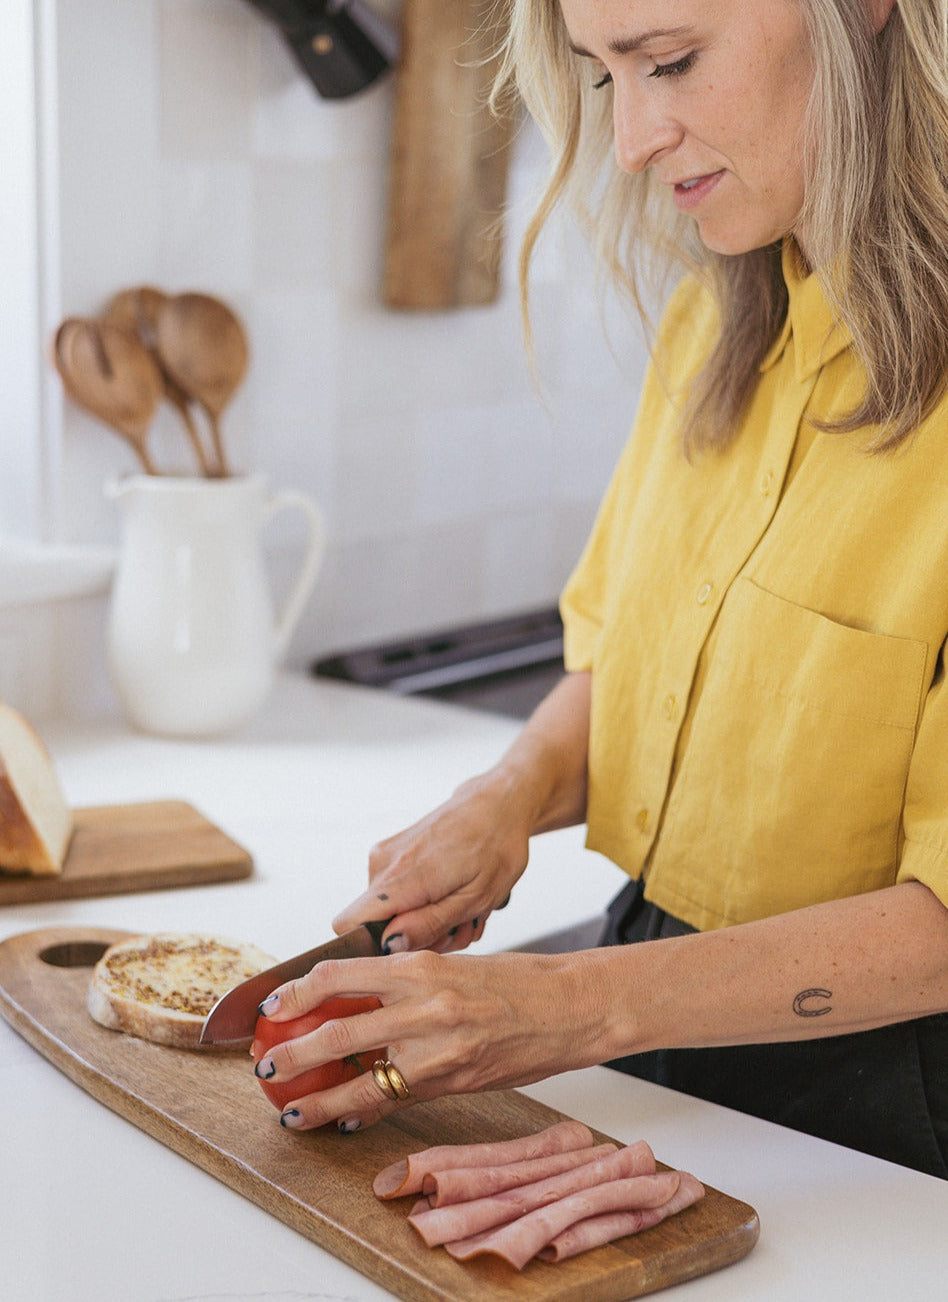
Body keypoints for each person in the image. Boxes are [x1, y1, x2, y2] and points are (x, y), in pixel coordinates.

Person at [254, 0, 948, 1178]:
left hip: (902, 1092)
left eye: (670, 63)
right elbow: (620, 665)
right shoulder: (714, 323)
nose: (629, 140)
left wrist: (565, 1005)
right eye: (601, 79)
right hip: (660, 1005)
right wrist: (508, 796)